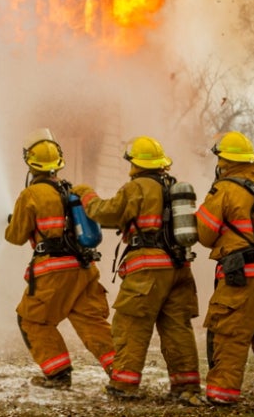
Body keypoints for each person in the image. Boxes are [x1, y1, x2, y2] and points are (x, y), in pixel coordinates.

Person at [73, 136, 205, 406]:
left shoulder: (138, 187)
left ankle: (124, 385)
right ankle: (186, 386)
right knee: (177, 327)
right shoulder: (172, 186)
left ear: (134, 163)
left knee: (131, 324)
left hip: (148, 270)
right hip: (179, 268)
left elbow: (107, 212)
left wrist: (86, 194)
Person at [5, 128, 115, 389]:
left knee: (32, 320)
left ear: (31, 164)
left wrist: (13, 223)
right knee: (92, 322)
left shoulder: (31, 195)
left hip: (53, 272)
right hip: (85, 268)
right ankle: (122, 374)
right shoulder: (70, 190)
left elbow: (16, 236)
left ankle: (58, 375)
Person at [195, 132, 254, 407]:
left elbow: (205, 234)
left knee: (229, 330)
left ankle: (222, 393)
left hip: (242, 275)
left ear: (224, 160)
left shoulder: (224, 189)